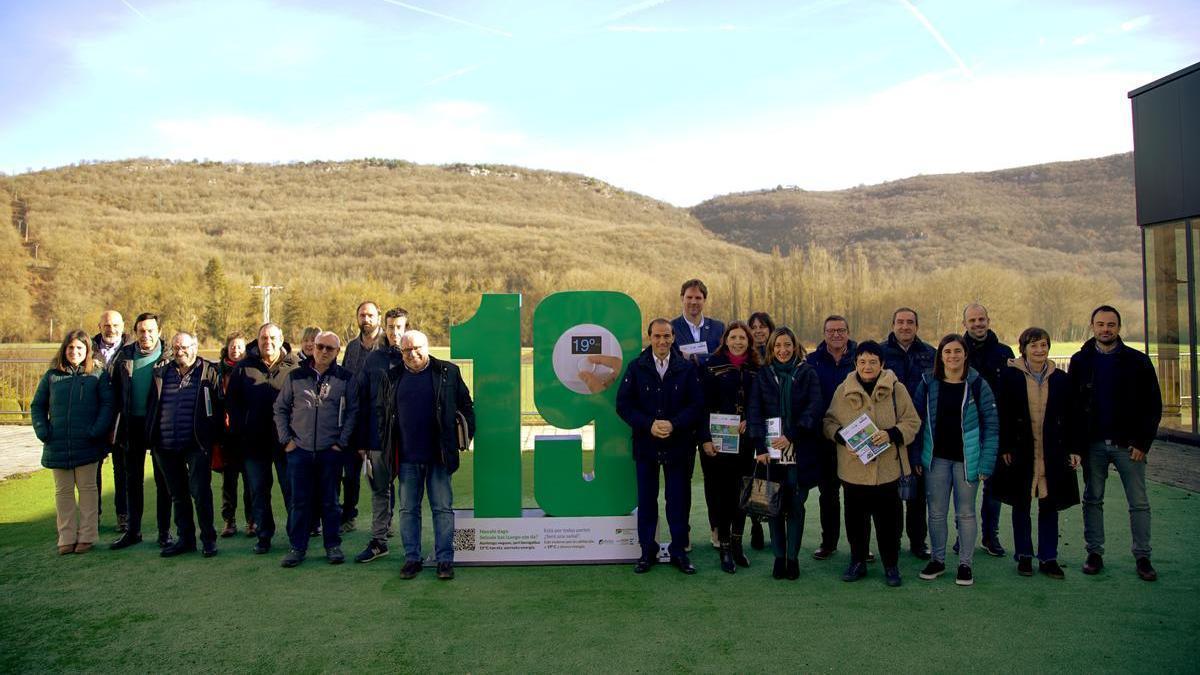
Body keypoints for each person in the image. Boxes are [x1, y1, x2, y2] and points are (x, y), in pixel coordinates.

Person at [1070, 306, 1162, 581]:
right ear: (1092, 326)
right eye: (1100, 324)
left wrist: (1143, 442)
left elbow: (1152, 405)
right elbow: (1073, 407)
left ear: (1119, 328)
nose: (1105, 329)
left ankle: (1143, 556)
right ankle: (1094, 553)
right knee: (1092, 499)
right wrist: (1075, 446)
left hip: (1129, 445)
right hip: (1093, 445)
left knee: (1139, 502)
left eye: (1111, 325)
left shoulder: (1138, 361)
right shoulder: (1080, 361)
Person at [824, 341, 921, 587]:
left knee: (889, 523)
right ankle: (857, 562)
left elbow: (912, 422)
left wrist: (892, 434)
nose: (867, 367)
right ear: (855, 363)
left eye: (873, 362)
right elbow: (829, 423)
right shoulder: (842, 390)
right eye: (863, 361)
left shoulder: (897, 390)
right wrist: (843, 439)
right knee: (856, 522)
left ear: (882, 364)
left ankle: (891, 565)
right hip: (853, 471)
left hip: (888, 470)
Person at [378, 330, 474, 580]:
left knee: (442, 509)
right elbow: (383, 414)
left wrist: (462, 439)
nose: (412, 354)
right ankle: (412, 558)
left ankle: (445, 560)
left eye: (417, 348)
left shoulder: (447, 372)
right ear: (401, 352)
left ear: (427, 346)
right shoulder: (391, 376)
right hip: (407, 458)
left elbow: (467, 406)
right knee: (408, 510)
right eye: (407, 350)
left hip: (439, 457)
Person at [617, 318, 704, 575]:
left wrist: (674, 424)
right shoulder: (636, 367)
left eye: (667, 336)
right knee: (647, 501)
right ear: (649, 338)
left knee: (677, 501)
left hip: (679, 446)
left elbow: (696, 406)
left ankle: (678, 551)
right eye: (657, 336)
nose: (662, 341)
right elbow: (623, 405)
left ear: (673, 337)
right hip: (646, 446)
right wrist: (648, 424)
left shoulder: (686, 368)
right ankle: (647, 552)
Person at [911, 334, 999, 587]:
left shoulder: (978, 384)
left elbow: (992, 426)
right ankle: (938, 560)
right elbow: (916, 422)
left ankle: (965, 564)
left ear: (965, 355)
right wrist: (917, 455)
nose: (952, 356)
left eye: (957, 351)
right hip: (935, 460)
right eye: (947, 352)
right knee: (937, 513)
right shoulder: (928, 382)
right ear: (940, 356)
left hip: (967, 461)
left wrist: (986, 463)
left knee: (966, 513)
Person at [993, 327, 1080, 579]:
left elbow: (1073, 416)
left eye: (1043, 345)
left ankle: (1049, 557)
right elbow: (1003, 414)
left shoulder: (1061, 379)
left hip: (1053, 451)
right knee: (1021, 503)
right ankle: (1024, 555)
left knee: (1049, 504)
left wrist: (1074, 448)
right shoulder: (1010, 377)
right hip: (1021, 451)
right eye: (1033, 346)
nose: (1039, 350)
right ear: (1024, 349)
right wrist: (1005, 447)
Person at [274, 331, 359, 567]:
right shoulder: (296, 376)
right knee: (299, 502)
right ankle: (297, 547)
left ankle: (332, 545)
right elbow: (280, 409)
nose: (323, 351)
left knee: (330, 502)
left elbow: (353, 412)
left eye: (329, 348)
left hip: (329, 451)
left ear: (337, 352)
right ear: (313, 348)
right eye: (320, 346)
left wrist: (341, 442)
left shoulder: (345, 378)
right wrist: (286, 440)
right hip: (299, 450)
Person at [747, 327, 823, 580]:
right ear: (771, 348)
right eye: (777, 345)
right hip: (771, 453)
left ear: (795, 346)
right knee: (775, 506)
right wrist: (759, 447)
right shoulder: (763, 375)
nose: (783, 350)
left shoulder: (807, 373)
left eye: (787, 344)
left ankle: (793, 558)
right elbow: (755, 411)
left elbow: (814, 408)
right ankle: (779, 558)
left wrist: (791, 434)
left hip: (799, 449)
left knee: (796, 506)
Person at [30, 331, 115, 554]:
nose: (74, 352)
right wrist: (43, 430)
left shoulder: (97, 374)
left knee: (87, 490)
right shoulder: (52, 376)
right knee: (63, 492)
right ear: (64, 349)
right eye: (70, 348)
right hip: (57, 443)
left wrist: (96, 431)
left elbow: (108, 405)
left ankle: (87, 536)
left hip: (87, 442)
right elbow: (37, 405)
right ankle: (66, 537)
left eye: (79, 348)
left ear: (87, 351)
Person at [144, 332, 223, 558]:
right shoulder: (161, 373)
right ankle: (185, 539)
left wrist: (212, 438)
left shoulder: (209, 371)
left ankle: (208, 539)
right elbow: (153, 406)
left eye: (185, 347)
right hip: (166, 446)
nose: (181, 351)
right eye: (177, 347)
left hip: (196, 445)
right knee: (178, 495)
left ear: (195, 347)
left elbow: (218, 407)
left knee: (200, 493)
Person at [226, 322, 300, 555]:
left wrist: (295, 435)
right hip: (254, 443)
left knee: (292, 491)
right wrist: (243, 430)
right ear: (257, 341)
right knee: (258, 492)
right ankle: (264, 536)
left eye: (272, 338)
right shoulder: (243, 367)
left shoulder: (296, 366)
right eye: (263, 339)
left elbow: (303, 403)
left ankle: (295, 537)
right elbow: (232, 403)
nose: (268, 343)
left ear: (281, 339)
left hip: (286, 442)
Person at [698, 321, 762, 573]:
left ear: (749, 341)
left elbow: (762, 404)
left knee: (741, 495)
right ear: (725, 340)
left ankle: (737, 544)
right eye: (733, 337)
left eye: (742, 338)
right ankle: (724, 546)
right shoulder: (711, 367)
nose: (738, 342)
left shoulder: (757, 368)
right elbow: (701, 406)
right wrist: (704, 438)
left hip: (745, 444)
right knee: (722, 496)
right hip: (719, 443)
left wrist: (751, 419)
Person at [109, 313, 175, 550]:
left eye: (150, 331)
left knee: (163, 480)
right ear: (135, 332)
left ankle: (164, 532)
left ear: (158, 331)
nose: (146, 335)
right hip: (131, 425)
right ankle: (133, 531)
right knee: (132, 480)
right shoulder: (124, 356)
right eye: (141, 331)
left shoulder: (169, 358)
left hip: (158, 425)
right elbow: (114, 393)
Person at [881, 307, 936, 560]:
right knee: (890, 497)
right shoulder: (880, 352)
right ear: (892, 324)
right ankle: (890, 542)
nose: (905, 326)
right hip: (888, 433)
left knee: (918, 494)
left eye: (910, 322)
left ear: (917, 326)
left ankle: (918, 542)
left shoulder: (930, 354)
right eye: (900, 322)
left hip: (921, 432)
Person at [354, 307, 409, 564]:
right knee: (380, 491)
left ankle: (414, 544)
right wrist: (363, 441)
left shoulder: (416, 357)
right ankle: (379, 541)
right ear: (384, 328)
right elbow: (362, 401)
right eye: (390, 327)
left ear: (407, 328)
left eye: (399, 327)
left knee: (411, 492)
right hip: (377, 439)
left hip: (409, 440)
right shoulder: (373, 360)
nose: (395, 332)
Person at [962, 303, 1014, 557]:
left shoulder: (1005, 352)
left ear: (988, 320)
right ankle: (963, 536)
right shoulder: (955, 351)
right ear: (965, 324)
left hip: (995, 429)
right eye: (972, 320)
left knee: (992, 488)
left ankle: (989, 535)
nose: (977, 324)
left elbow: (1013, 394)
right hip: (965, 430)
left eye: (981, 319)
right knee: (965, 486)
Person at [805, 314, 857, 560]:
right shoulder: (812, 360)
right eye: (831, 330)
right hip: (824, 438)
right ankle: (829, 542)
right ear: (824, 333)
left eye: (841, 330)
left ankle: (861, 543)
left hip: (855, 438)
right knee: (828, 494)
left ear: (848, 332)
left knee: (857, 495)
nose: (836, 334)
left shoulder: (860, 358)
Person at [338, 301, 383, 533]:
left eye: (370, 315)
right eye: (362, 315)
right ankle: (348, 516)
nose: (366, 319)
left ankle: (384, 521)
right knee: (351, 473)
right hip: (353, 418)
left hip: (378, 419)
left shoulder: (387, 345)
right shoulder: (352, 347)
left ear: (378, 317)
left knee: (381, 474)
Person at [91, 309, 127, 532]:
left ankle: (123, 515)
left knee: (121, 470)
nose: (111, 329)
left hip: (122, 419)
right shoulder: (88, 349)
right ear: (99, 327)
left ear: (122, 327)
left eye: (115, 325)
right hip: (95, 418)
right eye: (106, 325)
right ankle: (92, 516)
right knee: (92, 470)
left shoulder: (131, 350)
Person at [215, 332, 253, 538]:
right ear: (227, 348)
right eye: (233, 346)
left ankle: (251, 521)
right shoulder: (218, 372)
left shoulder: (250, 370)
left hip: (246, 434)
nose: (236, 350)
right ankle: (229, 521)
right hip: (226, 435)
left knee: (250, 481)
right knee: (228, 481)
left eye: (240, 347)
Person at [744, 311, 776, 552]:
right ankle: (756, 523)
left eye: (762, 326)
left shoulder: (780, 351)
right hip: (753, 425)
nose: (758, 330)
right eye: (753, 326)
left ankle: (776, 525)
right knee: (754, 476)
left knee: (776, 478)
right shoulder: (746, 356)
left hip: (777, 427)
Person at [671, 279, 725, 367]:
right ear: (682, 298)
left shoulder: (718, 328)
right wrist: (708, 357)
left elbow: (724, 358)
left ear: (704, 300)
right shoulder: (671, 328)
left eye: (698, 298)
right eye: (689, 297)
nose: (693, 302)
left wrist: (693, 357)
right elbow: (670, 359)